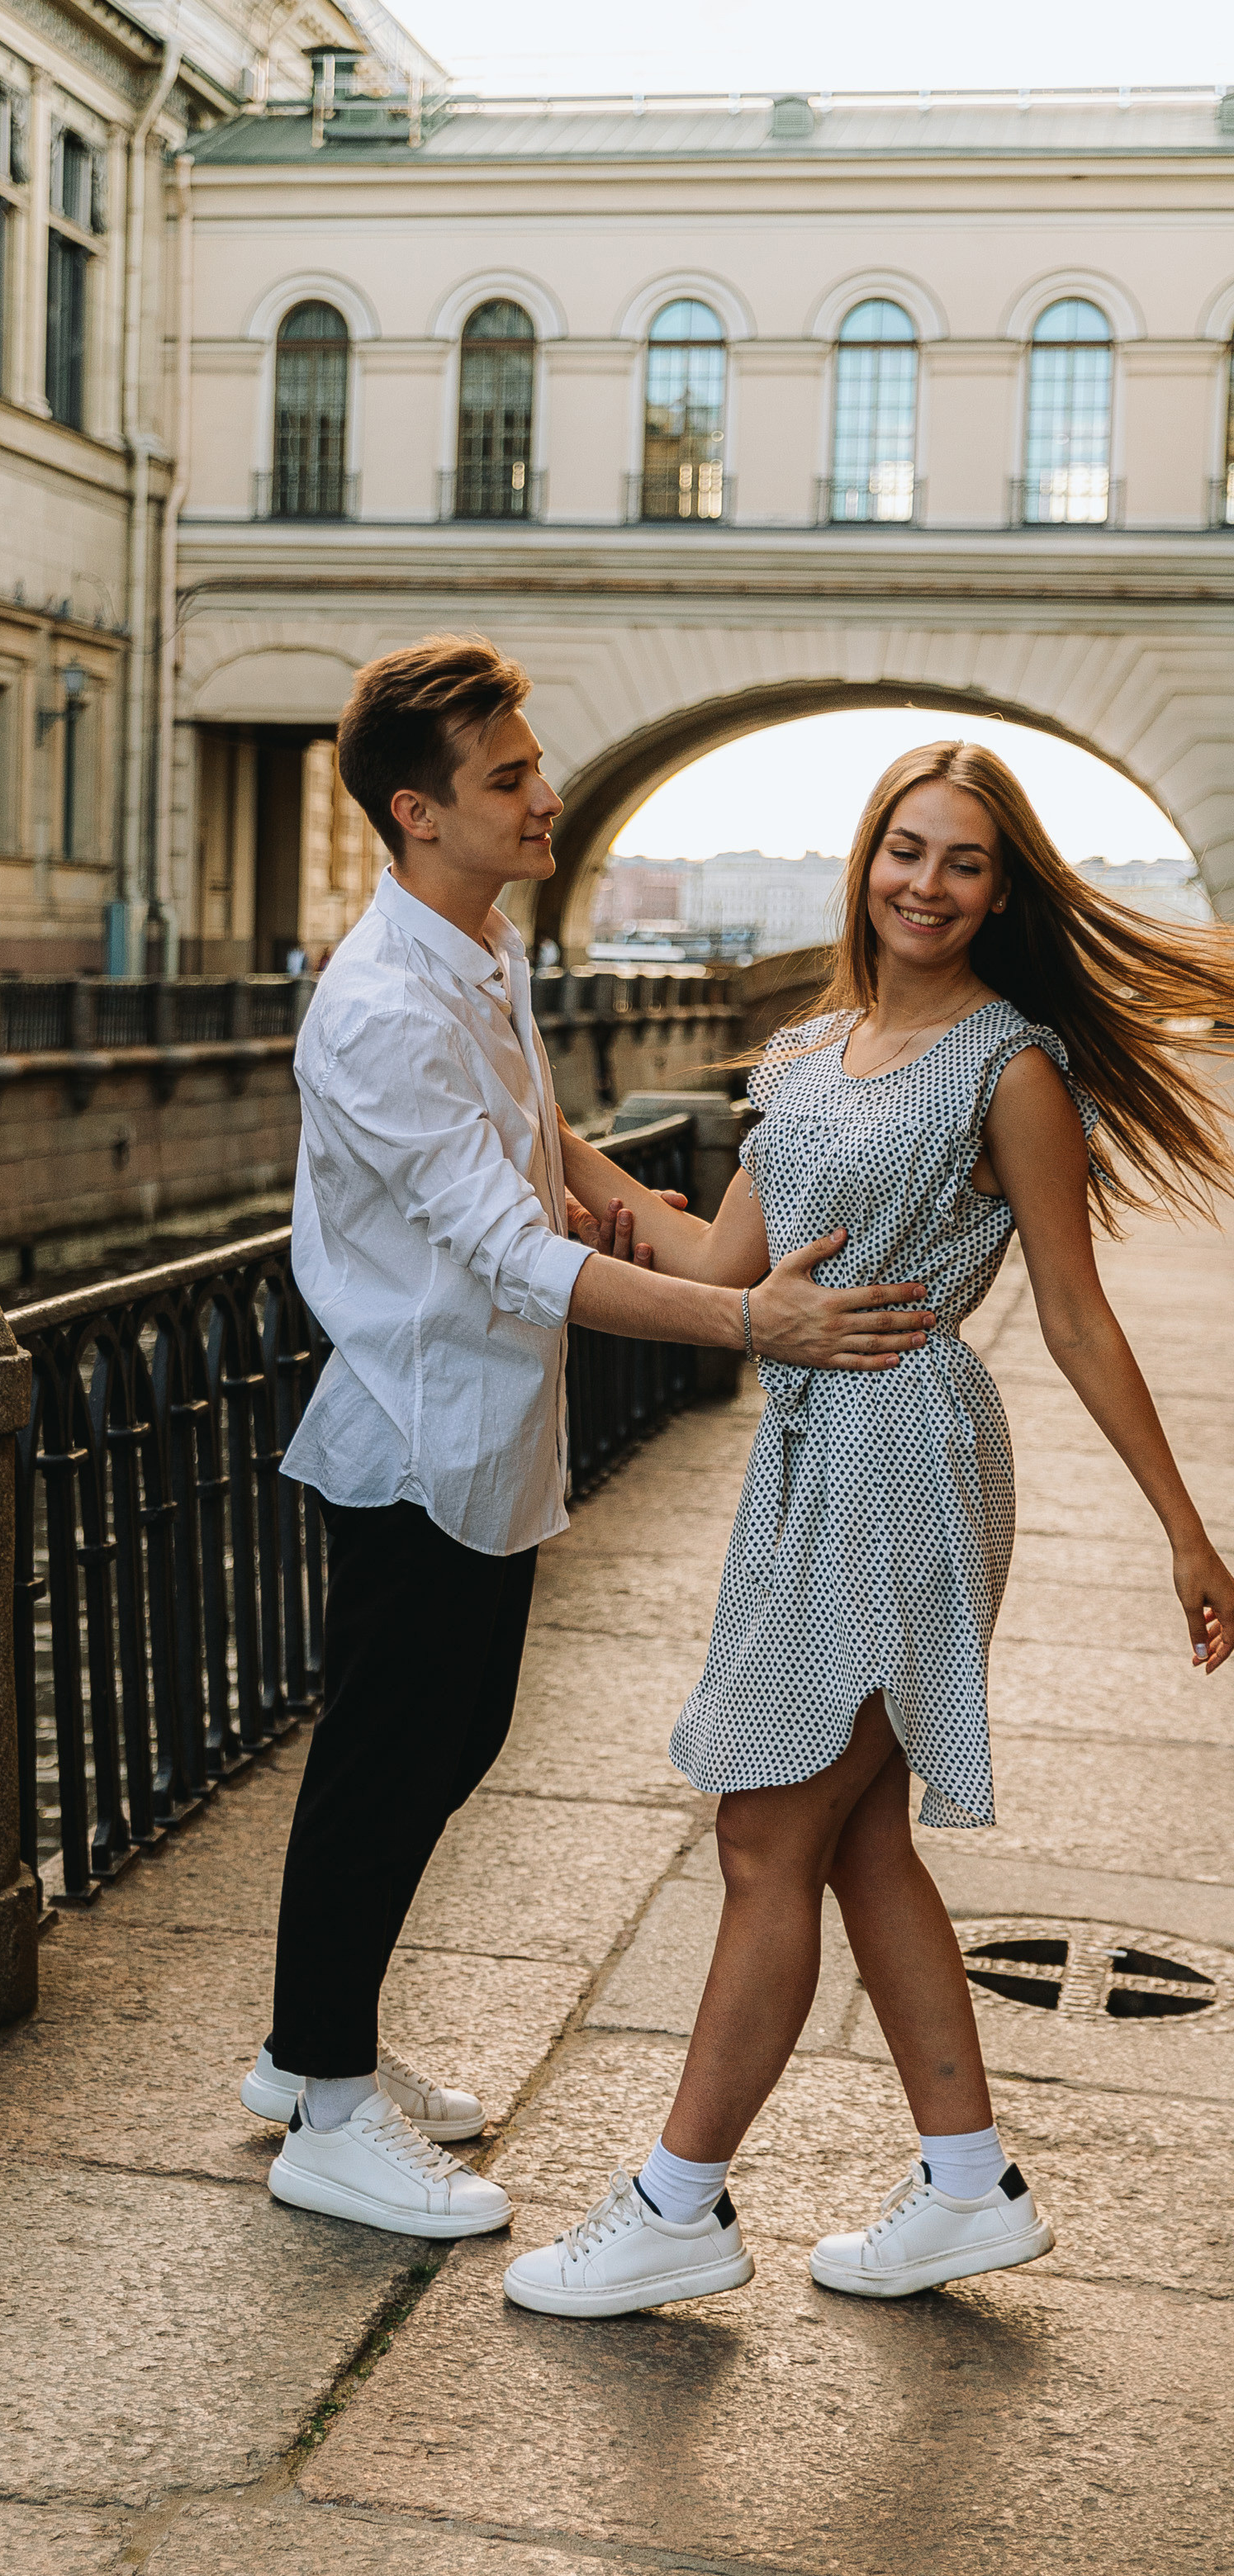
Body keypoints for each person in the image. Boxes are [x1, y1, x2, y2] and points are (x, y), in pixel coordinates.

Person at [504, 740, 1234, 2315]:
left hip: (908, 1449)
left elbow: (1079, 1317)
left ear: (1001, 888)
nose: (928, 881)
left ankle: (675, 2203)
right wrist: (564, 1149)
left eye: (965, 861)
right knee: (854, 1838)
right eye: (906, 849)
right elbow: (727, 1264)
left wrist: (1187, 1527)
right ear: (866, 861)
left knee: (767, 1833)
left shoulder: (1010, 1065)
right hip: (809, 1453)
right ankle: (967, 2183)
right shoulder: (807, 1055)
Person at [241, 635, 937, 2242]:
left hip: (485, 1424)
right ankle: (327, 2118)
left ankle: (306, 2051)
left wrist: (631, 1199)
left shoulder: (473, 952)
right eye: (505, 780)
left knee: (434, 1742)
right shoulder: (375, 1009)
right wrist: (747, 1316)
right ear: (416, 813)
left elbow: (537, 1140)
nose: (543, 795)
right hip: (415, 1426)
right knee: (389, 1758)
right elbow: (515, 1256)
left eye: (531, 766)